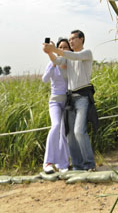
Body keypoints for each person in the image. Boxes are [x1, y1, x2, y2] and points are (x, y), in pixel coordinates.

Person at [44, 30, 98, 171]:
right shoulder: (68, 57)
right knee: (71, 135)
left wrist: (54, 49)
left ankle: (90, 164)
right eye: (70, 39)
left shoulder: (86, 53)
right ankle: (78, 166)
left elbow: (73, 56)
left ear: (82, 39)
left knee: (79, 131)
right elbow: (56, 60)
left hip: (83, 97)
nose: (71, 41)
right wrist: (49, 52)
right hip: (71, 98)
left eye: (74, 38)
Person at [41, 37, 72, 174]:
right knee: (55, 126)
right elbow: (45, 79)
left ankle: (62, 163)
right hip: (54, 101)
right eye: (60, 47)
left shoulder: (69, 63)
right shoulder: (51, 63)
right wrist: (53, 62)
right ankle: (48, 162)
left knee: (64, 131)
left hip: (67, 101)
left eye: (65, 47)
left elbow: (67, 72)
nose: (63, 49)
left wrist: (55, 59)